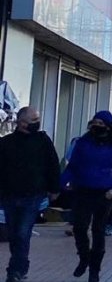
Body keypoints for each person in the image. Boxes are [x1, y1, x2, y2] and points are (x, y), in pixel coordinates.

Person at [61, 111, 112, 282]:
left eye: (100, 122)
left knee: (99, 230)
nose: (96, 125)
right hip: (82, 189)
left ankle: (94, 269)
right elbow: (72, 166)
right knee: (79, 227)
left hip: (104, 193)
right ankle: (84, 257)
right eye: (94, 121)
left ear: (107, 125)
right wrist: (58, 185)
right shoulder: (83, 142)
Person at [0, 107, 61, 282]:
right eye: (33, 120)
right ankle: (20, 265)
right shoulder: (6, 143)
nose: (37, 123)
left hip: (33, 195)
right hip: (10, 195)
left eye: (37, 119)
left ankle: (15, 270)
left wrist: (54, 188)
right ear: (22, 122)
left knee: (22, 232)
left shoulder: (43, 141)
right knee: (14, 234)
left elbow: (53, 165)